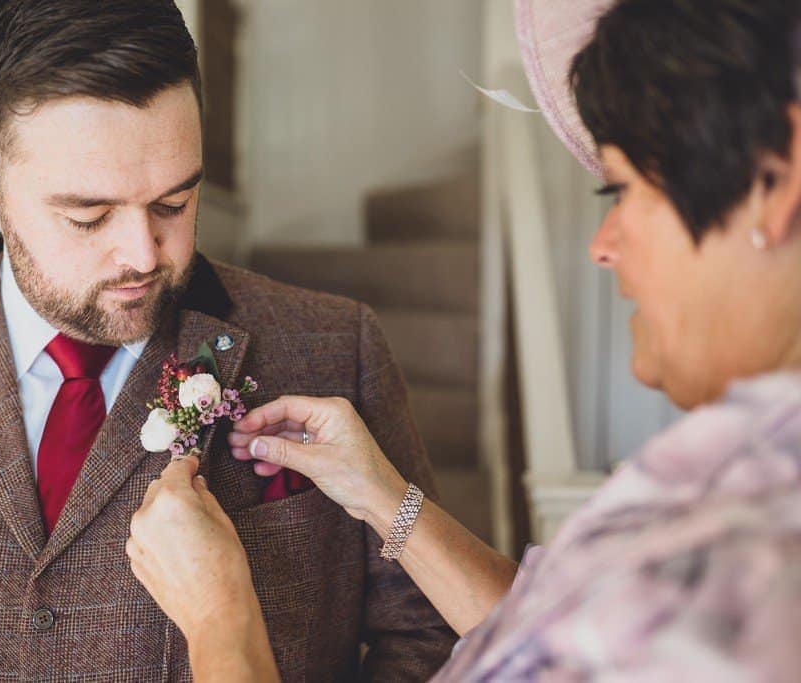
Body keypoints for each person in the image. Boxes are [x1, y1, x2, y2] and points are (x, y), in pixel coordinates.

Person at [0, 1, 459, 680]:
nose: (142, 254)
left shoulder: (336, 345)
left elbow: (430, 634)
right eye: (89, 216)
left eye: (173, 203)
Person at [126, 0, 801, 679]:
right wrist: (381, 495)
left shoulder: (756, 549)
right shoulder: (731, 489)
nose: (601, 246)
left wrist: (221, 618)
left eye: (620, 192)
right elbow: (551, 627)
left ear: (775, 181)